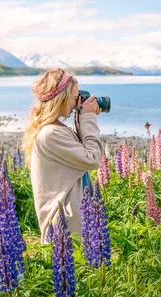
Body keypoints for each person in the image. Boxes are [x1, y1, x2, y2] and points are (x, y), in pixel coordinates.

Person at [22, 69, 103, 244]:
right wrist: (88, 117)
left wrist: (81, 116)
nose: (77, 103)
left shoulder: (54, 129)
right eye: (75, 97)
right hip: (65, 225)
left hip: (72, 218)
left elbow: (81, 153)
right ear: (62, 98)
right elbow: (93, 158)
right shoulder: (51, 134)